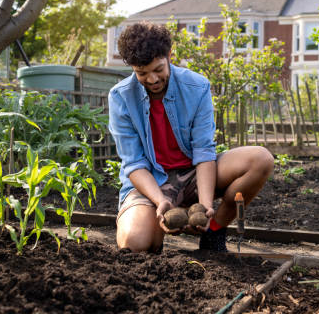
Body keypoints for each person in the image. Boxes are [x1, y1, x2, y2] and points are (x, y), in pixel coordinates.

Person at [109, 22, 273, 253]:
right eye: (142, 73)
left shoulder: (196, 87)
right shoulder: (121, 97)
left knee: (260, 159)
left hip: (194, 174)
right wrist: (160, 201)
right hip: (153, 180)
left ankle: (214, 232)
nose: (153, 79)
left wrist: (205, 207)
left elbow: (204, 151)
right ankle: (155, 226)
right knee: (134, 244)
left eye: (158, 69)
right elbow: (134, 164)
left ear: (169, 56)